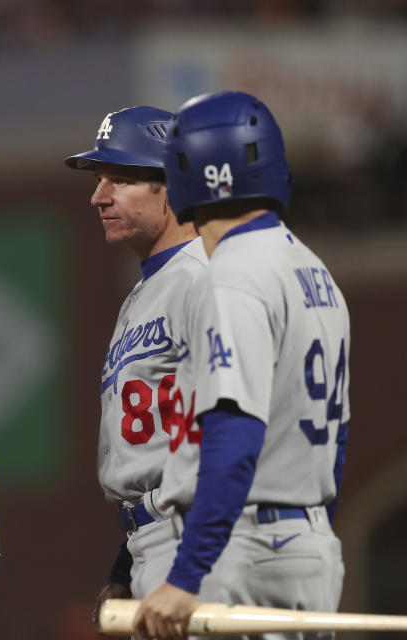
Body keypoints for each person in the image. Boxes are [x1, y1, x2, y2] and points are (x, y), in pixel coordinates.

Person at [134, 91, 349, 640]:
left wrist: (187, 575)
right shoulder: (313, 270)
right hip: (311, 547)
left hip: (239, 549)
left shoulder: (233, 274)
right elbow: (339, 439)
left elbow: (233, 432)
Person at [65, 107, 208, 631]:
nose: (99, 196)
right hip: (150, 541)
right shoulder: (147, 291)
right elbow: (154, 450)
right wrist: (125, 565)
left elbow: (231, 429)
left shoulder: (203, 279)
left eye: (122, 179)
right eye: (100, 179)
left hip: (196, 541)